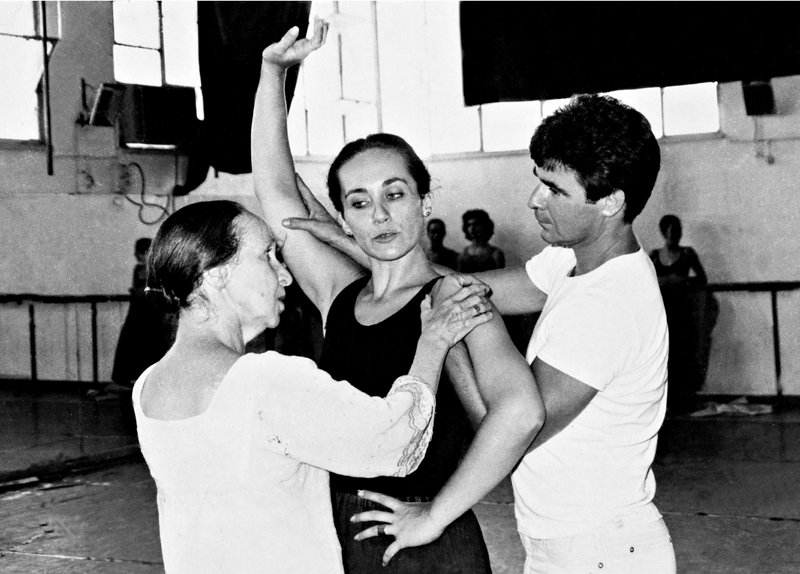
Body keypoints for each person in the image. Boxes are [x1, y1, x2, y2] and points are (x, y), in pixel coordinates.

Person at [298, 93, 677, 573]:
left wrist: (447, 343)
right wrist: (359, 244)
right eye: (539, 180)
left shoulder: (608, 306)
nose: (535, 199)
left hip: (602, 550)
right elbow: (453, 285)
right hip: (568, 543)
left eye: (555, 190)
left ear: (610, 202)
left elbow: (513, 427)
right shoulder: (573, 261)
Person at [253, 22, 544, 572]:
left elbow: (521, 413)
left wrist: (436, 514)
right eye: (360, 202)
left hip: (424, 538)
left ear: (425, 201)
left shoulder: (453, 298)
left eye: (395, 193)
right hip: (335, 530)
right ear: (343, 217)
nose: (380, 215)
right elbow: (275, 190)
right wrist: (273, 74)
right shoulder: (338, 294)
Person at [132, 199, 493, 574]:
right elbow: (392, 441)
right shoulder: (264, 380)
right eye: (267, 256)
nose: (284, 276)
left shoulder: (147, 387)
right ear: (216, 274)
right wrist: (434, 340)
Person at [650, 214, 716, 413]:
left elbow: (702, 279)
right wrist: (664, 281)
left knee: (685, 353)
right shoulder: (655, 256)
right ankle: (665, 400)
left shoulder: (687, 254)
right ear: (664, 233)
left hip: (683, 312)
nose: (675, 236)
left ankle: (685, 398)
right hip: (663, 312)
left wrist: (681, 279)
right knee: (664, 354)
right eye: (671, 232)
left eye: (677, 232)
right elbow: (646, 280)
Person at [104, 237, 173, 397]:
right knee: (132, 344)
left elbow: (159, 292)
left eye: (140, 253)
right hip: (138, 314)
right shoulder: (140, 270)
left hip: (154, 315)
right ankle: (130, 381)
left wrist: (145, 291)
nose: (137, 256)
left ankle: (153, 382)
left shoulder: (160, 269)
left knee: (152, 346)